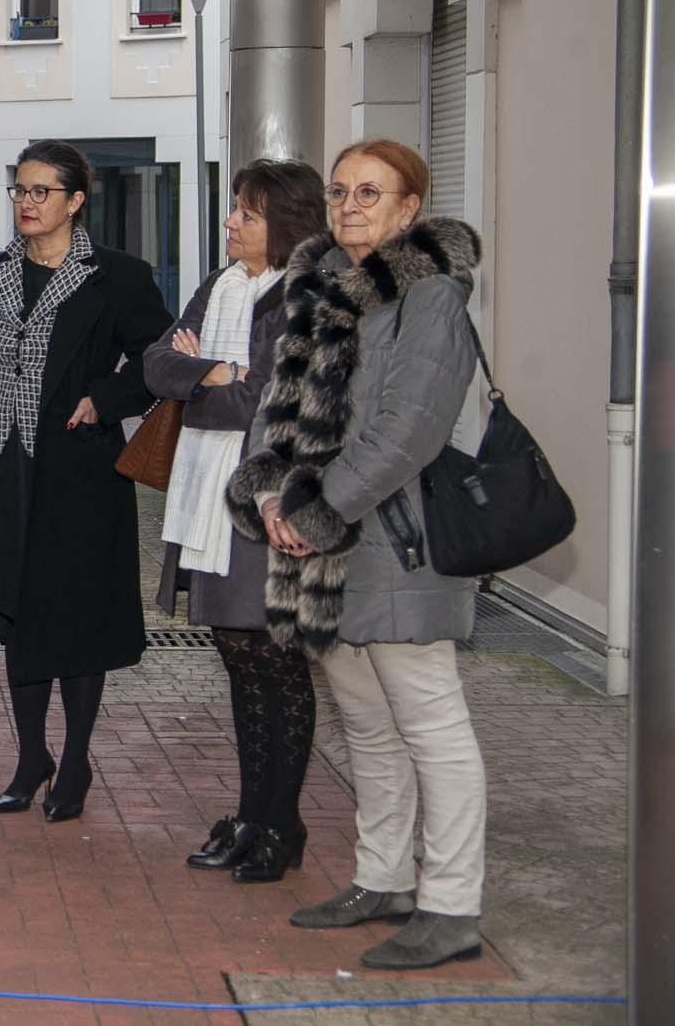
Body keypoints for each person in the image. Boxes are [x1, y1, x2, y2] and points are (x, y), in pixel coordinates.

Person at [228, 139, 486, 971]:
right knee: (368, 729)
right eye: (340, 190)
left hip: (394, 546)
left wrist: (320, 510)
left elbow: (409, 429)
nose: (349, 205)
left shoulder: (432, 295)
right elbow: (278, 410)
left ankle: (451, 903)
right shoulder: (317, 287)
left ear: (410, 207)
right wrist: (270, 495)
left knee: (431, 727)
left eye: (370, 192)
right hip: (317, 552)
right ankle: (382, 877)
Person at [0, 140, 172, 821]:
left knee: (73, 612)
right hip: (0, 466)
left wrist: (106, 395)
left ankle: (74, 760)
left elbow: (157, 357)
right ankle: (30, 756)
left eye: (42, 191)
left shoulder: (118, 276)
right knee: (14, 605)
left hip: (77, 472)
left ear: (76, 200)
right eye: (19, 190)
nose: (27, 203)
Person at [144, 159, 327, 882]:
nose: (230, 224)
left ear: (283, 222)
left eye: (246, 214)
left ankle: (282, 823)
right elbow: (157, 367)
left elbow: (265, 404)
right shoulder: (219, 285)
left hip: (262, 505)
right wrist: (218, 373)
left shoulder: (303, 296)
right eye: (234, 212)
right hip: (205, 502)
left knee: (277, 666)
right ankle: (253, 815)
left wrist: (209, 381)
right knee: (238, 662)